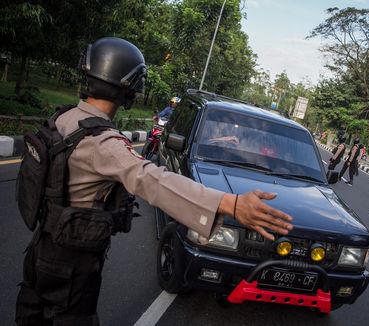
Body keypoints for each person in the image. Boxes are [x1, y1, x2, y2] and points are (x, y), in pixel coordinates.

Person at [15, 37, 292, 326]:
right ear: (129, 87)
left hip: (40, 249)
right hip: (71, 264)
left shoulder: (65, 117)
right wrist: (228, 203)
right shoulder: (103, 142)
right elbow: (153, 180)